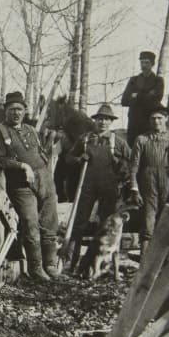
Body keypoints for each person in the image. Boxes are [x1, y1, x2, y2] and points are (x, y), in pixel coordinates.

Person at [0, 91, 60, 281]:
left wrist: (45, 168)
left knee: (49, 222)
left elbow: (41, 152)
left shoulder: (31, 130)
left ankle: (50, 265)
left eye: (19, 109)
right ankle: (36, 268)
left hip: (44, 178)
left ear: (25, 111)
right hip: (20, 183)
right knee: (30, 223)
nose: (16, 113)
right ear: (6, 111)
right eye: (12, 109)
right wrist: (22, 166)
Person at [62, 103, 131, 271]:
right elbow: (68, 158)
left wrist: (121, 167)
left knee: (106, 225)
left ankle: (96, 265)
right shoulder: (85, 139)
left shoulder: (118, 142)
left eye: (107, 120)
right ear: (95, 120)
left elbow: (130, 163)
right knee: (79, 224)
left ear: (111, 122)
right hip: (86, 186)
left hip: (109, 188)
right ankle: (71, 263)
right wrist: (79, 159)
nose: (103, 123)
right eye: (100, 119)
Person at [127, 104, 169, 253]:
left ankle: (167, 258)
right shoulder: (142, 140)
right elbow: (134, 166)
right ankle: (145, 259)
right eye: (153, 118)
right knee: (148, 218)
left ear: (166, 119)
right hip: (148, 182)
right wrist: (134, 188)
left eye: (159, 118)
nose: (156, 121)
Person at [120, 50, 165, 146]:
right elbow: (124, 101)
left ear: (152, 64)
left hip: (149, 122)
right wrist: (148, 95)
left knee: (149, 149)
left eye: (147, 63)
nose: (144, 65)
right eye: (142, 62)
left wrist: (136, 95)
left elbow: (156, 100)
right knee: (132, 149)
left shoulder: (158, 81)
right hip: (134, 122)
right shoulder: (134, 80)